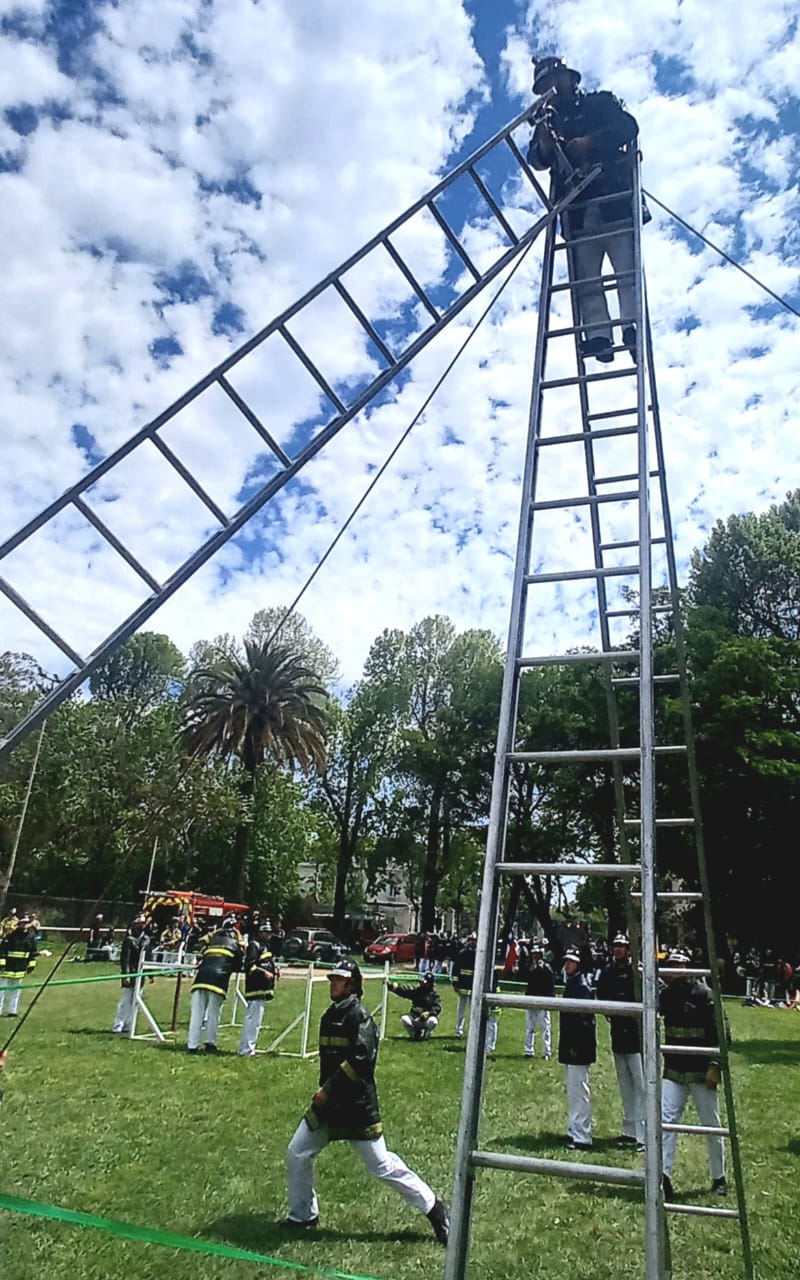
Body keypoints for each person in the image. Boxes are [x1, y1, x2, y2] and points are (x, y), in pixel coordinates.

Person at [281, 959, 449, 1244]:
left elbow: (361, 1062)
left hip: (356, 1108)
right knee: (297, 1152)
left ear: (352, 985)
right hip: (328, 1107)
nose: (333, 984)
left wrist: (328, 1090)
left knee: (382, 1166)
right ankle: (303, 1215)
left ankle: (434, 1208)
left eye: (339, 980)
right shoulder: (329, 1016)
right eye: (333, 979)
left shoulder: (360, 1018)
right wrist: (325, 1093)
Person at [527, 55, 641, 364]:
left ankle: (632, 328)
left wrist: (590, 142)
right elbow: (536, 159)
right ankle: (599, 336)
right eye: (544, 86)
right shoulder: (548, 121)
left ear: (569, 79)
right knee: (586, 279)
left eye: (552, 82)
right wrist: (546, 143)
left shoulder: (599, 104)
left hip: (611, 197)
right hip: (576, 211)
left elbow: (627, 127)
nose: (549, 90)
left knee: (626, 271)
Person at [660, 949, 727, 1199]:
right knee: (665, 1122)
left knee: (711, 1126)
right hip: (674, 1071)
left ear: (688, 967)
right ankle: (663, 1176)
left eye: (678, 965)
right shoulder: (667, 995)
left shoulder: (705, 994)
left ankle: (719, 1177)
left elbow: (722, 1031)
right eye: (671, 965)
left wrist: (715, 1065)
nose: (673, 970)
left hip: (701, 1072)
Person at [596, 934, 644, 1148]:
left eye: (622, 946)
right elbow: (601, 993)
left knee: (641, 1085)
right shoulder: (608, 971)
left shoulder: (638, 971)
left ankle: (644, 1133)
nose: (618, 949)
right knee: (625, 1084)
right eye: (615, 945)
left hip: (637, 1036)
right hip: (618, 1033)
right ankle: (629, 1130)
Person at [186, 917, 243, 1054]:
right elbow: (239, 963)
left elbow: (199, 947)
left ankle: (192, 1045)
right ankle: (210, 1042)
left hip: (200, 979)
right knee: (213, 1013)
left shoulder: (211, 943)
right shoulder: (235, 944)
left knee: (196, 1014)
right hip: (217, 981)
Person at [558, 946, 596, 1150]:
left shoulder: (581, 987)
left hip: (578, 1047)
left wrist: (577, 1048)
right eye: (567, 961)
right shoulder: (573, 984)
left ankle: (582, 1136)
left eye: (571, 962)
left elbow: (584, 1021)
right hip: (571, 1045)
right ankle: (574, 1129)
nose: (567, 964)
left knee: (579, 1091)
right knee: (573, 1090)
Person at [237, 925, 277, 1056]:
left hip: (263, 988)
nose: (268, 935)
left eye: (269, 932)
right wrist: (264, 973)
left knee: (255, 1021)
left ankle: (248, 1048)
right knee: (252, 1021)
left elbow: (267, 962)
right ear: (260, 933)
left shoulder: (265, 946)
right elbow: (249, 966)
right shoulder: (254, 945)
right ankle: (247, 1049)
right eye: (266, 932)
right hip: (256, 988)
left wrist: (275, 970)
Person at [112, 915, 151, 1034]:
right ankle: (118, 1025)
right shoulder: (129, 940)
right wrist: (126, 975)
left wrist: (150, 974)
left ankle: (129, 1024)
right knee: (125, 1001)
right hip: (131, 972)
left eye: (143, 924)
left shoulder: (146, 940)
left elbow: (148, 957)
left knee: (136, 1000)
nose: (142, 926)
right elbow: (125, 959)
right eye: (139, 924)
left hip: (141, 974)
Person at [0, 914, 38, 1016]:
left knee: (15, 991)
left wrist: (31, 964)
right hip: (7, 967)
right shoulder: (11, 936)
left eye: (26, 923)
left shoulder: (31, 938)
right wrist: (2, 962)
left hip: (20, 968)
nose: (24, 925)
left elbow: (33, 952)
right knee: (1, 990)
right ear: (19, 924)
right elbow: (2, 950)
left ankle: (12, 1011)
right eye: (23, 923)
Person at [388, 971, 442, 1040]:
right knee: (404, 1019)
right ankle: (415, 1033)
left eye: (424, 983)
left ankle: (427, 1033)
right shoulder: (417, 991)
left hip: (426, 1020)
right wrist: (395, 988)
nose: (421, 984)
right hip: (415, 1018)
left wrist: (429, 1013)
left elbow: (437, 1008)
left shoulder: (434, 995)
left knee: (433, 1021)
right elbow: (406, 992)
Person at [523, 941, 554, 1060]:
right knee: (529, 1027)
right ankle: (528, 1050)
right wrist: (529, 970)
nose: (535, 956)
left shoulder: (546, 967)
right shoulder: (528, 966)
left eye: (537, 954)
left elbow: (550, 984)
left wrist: (549, 1001)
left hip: (542, 1000)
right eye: (533, 953)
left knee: (545, 1027)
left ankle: (547, 1051)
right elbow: (522, 976)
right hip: (530, 999)